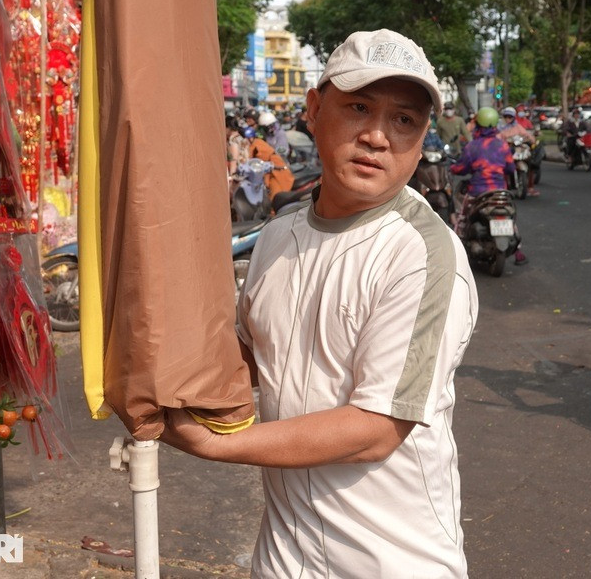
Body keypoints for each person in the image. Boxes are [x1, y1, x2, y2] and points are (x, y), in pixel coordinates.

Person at [161, 29, 475, 578]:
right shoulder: (278, 236)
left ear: (423, 137)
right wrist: (159, 365)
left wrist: (215, 444)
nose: (378, 135)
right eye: (358, 107)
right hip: (283, 557)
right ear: (314, 109)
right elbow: (257, 356)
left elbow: (376, 427)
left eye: (405, 120)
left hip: (391, 561)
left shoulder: (421, 254)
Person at [452, 107, 528, 264]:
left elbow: (461, 168)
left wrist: (452, 168)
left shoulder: (472, 146)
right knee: (510, 218)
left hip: (478, 191)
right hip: (500, 191)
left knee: (463, 216)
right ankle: (518, 250)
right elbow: (511, 168)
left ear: (478, 124)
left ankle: (455, 248)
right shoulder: (503, 146)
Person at [240, 125, 294, 200]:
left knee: (275, 197)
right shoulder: (255, 144)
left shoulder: (257, 145)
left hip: (277, 172)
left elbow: (259, 162)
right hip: (271, 170)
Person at [496, 106, 539, 197]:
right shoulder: (499, 126)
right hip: (503, 149)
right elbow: (496, 136)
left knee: (530, 163)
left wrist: (531, 139)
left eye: (510, 117)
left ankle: (530, 186)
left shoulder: (517, 126)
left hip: (518, 148)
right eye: (506, 116)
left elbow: (527, 134)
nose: (508, 119)